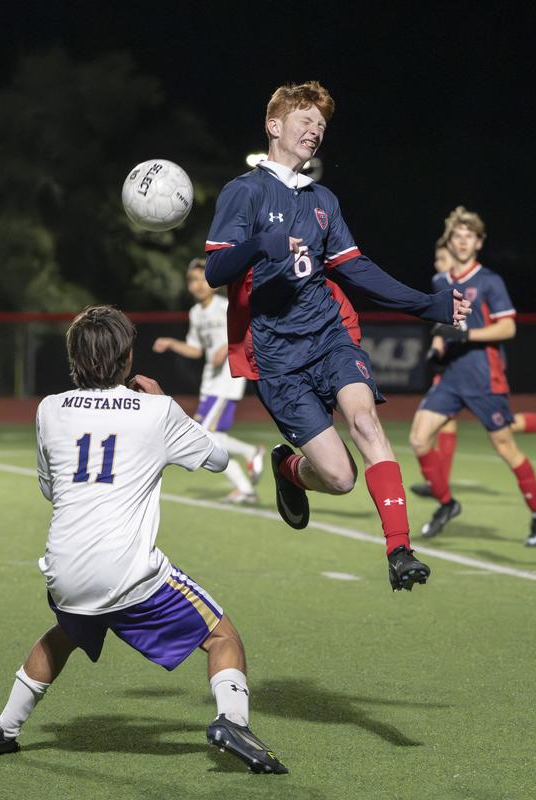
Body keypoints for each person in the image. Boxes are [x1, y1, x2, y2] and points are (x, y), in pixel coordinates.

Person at [0, 306, 286, 775]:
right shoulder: (156, 410)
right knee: (223, 637)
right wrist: (169, 408)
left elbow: (50, 488)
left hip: (63, 569)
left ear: (73, 359)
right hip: (128, 573)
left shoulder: (49, 409)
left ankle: (3, 730)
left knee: (66, 634)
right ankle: (232, 721)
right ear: (126, 359)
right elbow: (220, 459)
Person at [203, 80, 472, 591]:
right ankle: (289, 470)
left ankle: (399, 550)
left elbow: (358, 270)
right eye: (305, 120)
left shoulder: (323, 199)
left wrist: (427, 305)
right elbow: (216, 268)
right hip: (278, 357)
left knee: (367, 423)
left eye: (321, 125)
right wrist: (261, 243)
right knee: (340, 478)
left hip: (330, 335)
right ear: (274, 126)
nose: (315, 130)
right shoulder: (245, 191)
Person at [409, 206, 536, 545]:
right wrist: (438, 344)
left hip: (485, 376)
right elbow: (445, 324)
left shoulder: (489, 281)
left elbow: (508, 327)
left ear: (479, 242)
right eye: (457, 236)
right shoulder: (439, 281)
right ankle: (447, 504)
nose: (463, 242)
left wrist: (466, 336)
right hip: (452, 378)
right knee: (418, 439)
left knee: (505, 446)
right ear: (450, 240)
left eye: (469, 236)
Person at [153, 258, 267, 505]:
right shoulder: (196, 313)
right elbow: (196, 350)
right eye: (192, 279)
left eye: (203, 278)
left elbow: (249, 329)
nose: (198, 284)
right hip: (210, 383)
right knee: (211, 435)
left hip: (227, 380)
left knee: (204, 434)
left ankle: (245, 483)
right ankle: (250, 461)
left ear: (214, 283)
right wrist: (172, 343)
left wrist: (226, 347)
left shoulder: (225, 306)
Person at [410, 243, 462, 499]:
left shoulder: (459, 286)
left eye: (442, 258)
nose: (437, 263)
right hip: (453, 364)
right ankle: (440, 483)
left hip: (468, 368)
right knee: (446, 422)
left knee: (506, 429)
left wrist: (440, 341)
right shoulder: (443, 285)